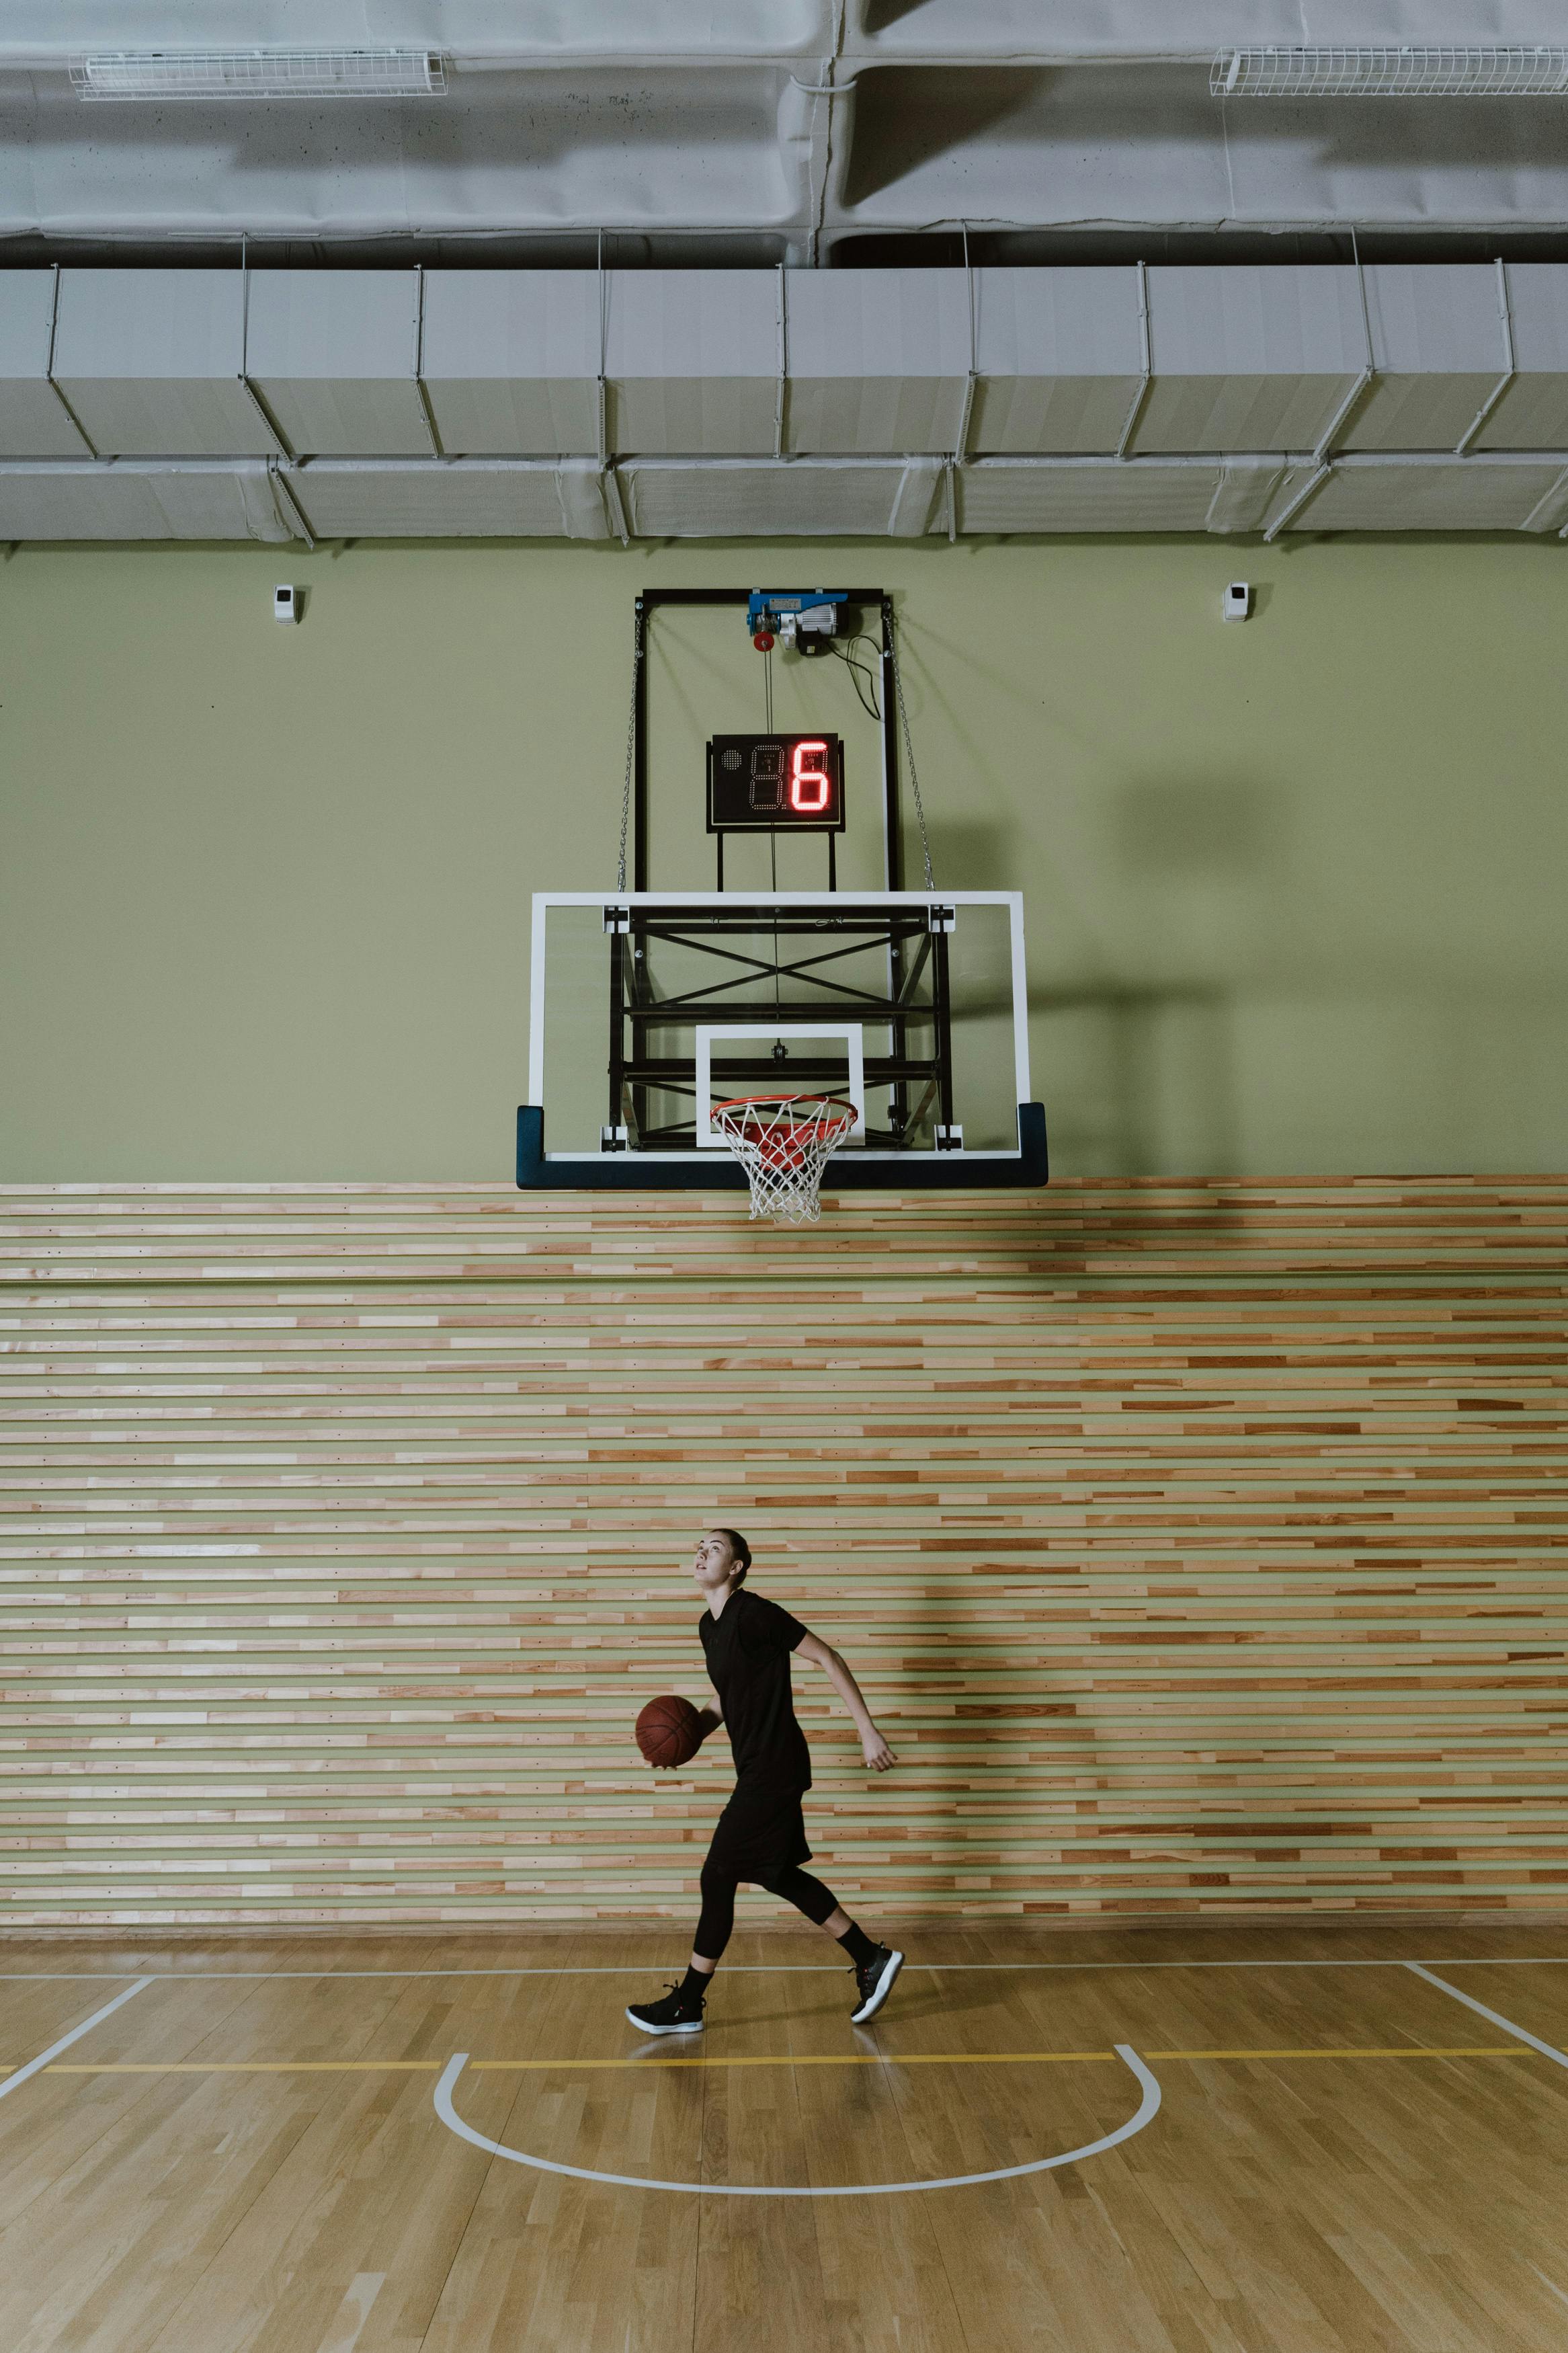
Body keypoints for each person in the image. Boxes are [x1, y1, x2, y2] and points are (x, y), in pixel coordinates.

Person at [627, 1526, 903, 2036]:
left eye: (714, 1549)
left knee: (717, 1875)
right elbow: (723, 1700)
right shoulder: (709, 1628)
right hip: (756, 1765)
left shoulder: (756, 1613)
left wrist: (867, 1731)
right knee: (776, 1874)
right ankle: (871, 1958)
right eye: (698, 1547)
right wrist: (683, 1742)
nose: (701, 1553)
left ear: (735, 1567)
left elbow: (828, 1658)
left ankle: (687, 2004)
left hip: (775, 1766)